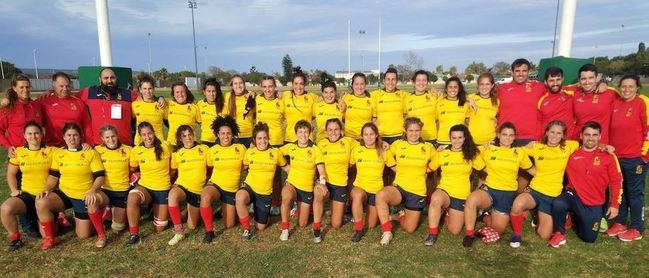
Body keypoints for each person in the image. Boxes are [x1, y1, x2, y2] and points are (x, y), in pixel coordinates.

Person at [35, 122, 108, 249]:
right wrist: (46, 189)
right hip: (65, 192)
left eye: (75, 135)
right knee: (41, 201)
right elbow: (54, 176)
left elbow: (100, 176)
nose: (72, 138)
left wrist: (92, 191)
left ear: (80, 137)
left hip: (83, 194)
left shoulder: (91, 153)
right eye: (68, 135)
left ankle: (101, 233)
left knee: (83, 235)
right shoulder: (59, 153)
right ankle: (50, 239)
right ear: (64, 137)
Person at [549, 121, 622, 247]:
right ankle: (559, 233)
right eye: (587, 134)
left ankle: (575, 217)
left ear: (599, 137)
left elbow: (617, 181)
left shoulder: (608, 156)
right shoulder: (572, 152)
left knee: (589, 238)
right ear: (581, 136)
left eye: (594, 135)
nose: (591, 138)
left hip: (594, 201)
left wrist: (615, 205)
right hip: (574, 195)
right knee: (559, 202)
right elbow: (552, 147)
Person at [509, 120, 579, 248]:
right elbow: (514, 151)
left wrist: (604, 146)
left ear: (563, 135)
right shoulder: (536, 146)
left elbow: (588, 144)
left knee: (544, 235)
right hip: (535, 191)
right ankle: (517, 235)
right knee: (517, 204)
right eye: (552, 132)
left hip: (552, 195)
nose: (554, 136)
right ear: (547, 132)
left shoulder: (569, 146)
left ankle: (538, 214)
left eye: (559, 133)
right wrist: (493, 145)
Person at [462, 122, 534, 247]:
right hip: (490, 190)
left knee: (496, 232)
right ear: (498, 135)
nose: (507, 138)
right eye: (504, 134)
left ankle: (485, 216)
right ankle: (469, 235)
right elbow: (468, 149)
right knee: (471, 200)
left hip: (507, 195)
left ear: (514, 137)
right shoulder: (489, 149)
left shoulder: (519, 152)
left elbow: (533, 171)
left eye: (511, 135)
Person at [376, 117, 436, 245]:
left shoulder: (428, 147)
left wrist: (428, 169)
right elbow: (385, 153)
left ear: (420, 131)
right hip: (400, 188)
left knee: (409, 229)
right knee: (381, 195)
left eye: (417, 130)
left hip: (417, 191)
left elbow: (439, 160)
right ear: (405, 131)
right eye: (410, 130)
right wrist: (394, 167)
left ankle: (398, 216)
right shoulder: (398, 144)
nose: (414, 133)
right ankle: (387, 232)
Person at [426, 124, 485, 246]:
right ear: (450, 138)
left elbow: (485, 169)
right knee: (436, 199)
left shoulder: (471, 153)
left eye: (460, 137)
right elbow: (428, 169)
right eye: (454, 138)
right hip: (444, 190)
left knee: (455, 230)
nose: (457, 141)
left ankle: (445, 214)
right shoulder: (442, 153)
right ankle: (432, 233)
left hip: (461, 194)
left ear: (465, 138)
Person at [606, 74, 649, 241]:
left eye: (631, 86)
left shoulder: (642, 102)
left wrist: (644, 155)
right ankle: (620, 222)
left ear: (637, 87)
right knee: (620, 191)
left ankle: (637, 227)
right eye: (623, 86)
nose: (627, 90)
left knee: (635, 193)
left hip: (636, 157)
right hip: (617, 157)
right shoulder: (616, 102)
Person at [1, 122, 54, 251]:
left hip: (45, 196)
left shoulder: (52, 151)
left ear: (42, 134)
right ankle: (15, 239)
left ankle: (53, 219)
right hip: (27, 195)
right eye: (29, 134)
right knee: (6, 208)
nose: (33, 136)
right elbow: (11, 174)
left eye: (36, 133)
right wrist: (14, 190)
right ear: (24, 136)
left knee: (43, 234)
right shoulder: (18, 152)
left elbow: (71, 150)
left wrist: (85, 145)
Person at [235, 122, 288, 240]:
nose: (262, 141)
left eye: (265, 138)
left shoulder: (276, 153)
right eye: (259, 138)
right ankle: (246, 229)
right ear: (254, 140)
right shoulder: (250, 152)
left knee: (261, 226)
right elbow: (241, 167)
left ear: (269, 138)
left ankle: (262, 212)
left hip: (264, 193)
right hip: (250, 186)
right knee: (239, 197)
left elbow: (287, 168)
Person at [200, 116, 246, 243]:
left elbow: (247, 165)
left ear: (233, 134)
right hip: (216, 185)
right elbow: (209, 167)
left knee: (229, 224)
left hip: (231, 190)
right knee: (205, 196)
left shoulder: (241, 149)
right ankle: (209, 231)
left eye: (228, 133)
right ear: (218, 135)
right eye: (222, 133)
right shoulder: (213, 150)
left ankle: (222, 208)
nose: (225, 136)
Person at [278, 120, 327, 241]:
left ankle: (298, 207)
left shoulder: (315, 150)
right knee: (286, 196)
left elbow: (321, 171)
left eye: (306, 132)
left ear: (309, 133)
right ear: (296, 133)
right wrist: (285, 166)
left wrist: (322, 182)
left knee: (302, 224)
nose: (303, 135)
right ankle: (285, 229)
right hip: (292, 184)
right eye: (300, 132)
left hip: (306, 189)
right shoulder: (291, 147)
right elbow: (275, 153)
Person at [126, 121, 172, 245]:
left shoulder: (165, 146)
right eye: (144, 134)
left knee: (160, 228)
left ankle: (157, 209)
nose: (147, 137)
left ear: (154, 132)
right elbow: (131, 169)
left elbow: (174, 168)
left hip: (163, 188)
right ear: (140, 136)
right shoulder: (137, 150)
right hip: (145, 187)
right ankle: (134, 234)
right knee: (132, 197)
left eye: (149, 133)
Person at [313, 118, 356, 242]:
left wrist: (383, 144)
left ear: (341, 131)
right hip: (325, 182)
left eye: (336, 129)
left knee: (336, 224)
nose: (333, 132)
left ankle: (337, 209)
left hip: (340, 184)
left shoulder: (348, 142)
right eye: (330, 130)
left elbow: (364, 146)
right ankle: (316, 228)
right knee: (318, 191)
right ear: (326, 132)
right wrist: (320, 180)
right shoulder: (321, 144)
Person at [167, 125, 210, 245]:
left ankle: (186, 211)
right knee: (172, 195)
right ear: (180, 139)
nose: (188, 138)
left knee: (192, 226)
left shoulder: (204, 149)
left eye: (190, 134)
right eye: (184, 136)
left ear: (194, 134)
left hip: (197, 191)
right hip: (182, 186)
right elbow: (174, 172)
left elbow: (211, 169)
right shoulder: (177, 153)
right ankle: (179, 231)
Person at [349, 122, 391, 242]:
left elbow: (396, 168)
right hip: (360, 187)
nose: (369, 137)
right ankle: (358, 230)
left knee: (371, 224)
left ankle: (387, 215)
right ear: (362, 136)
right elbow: (347, 166)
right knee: (357, 195)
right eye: (366, 134)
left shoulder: (383, 150)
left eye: (372, 134)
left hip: (376, 190)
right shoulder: (357, 150)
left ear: (376, 135)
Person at [78, 68, 140, 145]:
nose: (110, 81)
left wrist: (159, 98)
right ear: (100, 79)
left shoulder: (128, 94)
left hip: (125, 145)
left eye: (112, 78)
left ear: (116, 78)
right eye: (106, 78)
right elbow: (71, 99)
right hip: (98, 145)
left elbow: (146, 99)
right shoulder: (89, 92)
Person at [496, 58, 547, 146]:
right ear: (512, 72)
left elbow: (558, 90)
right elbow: (482, 95)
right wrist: (470, 99)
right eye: (517, 71)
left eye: (524, 71)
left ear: (529, 72)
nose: (520, 74)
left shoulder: (539, 87)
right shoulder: (501, 88)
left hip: (530, 138)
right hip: (506, 137)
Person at [254, 76, 285, 215]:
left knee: (276, 176)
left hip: (276, 142)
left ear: (275, 87)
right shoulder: (256, 100)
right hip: (260, 142)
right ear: (261, 88)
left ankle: (276, 203)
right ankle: (255, 201)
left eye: (270, 86)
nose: (268, 89)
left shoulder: (281, 101)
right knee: (257, 173)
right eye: (265, 87)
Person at [94, 125, 132, 234]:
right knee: (92, 199)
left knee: (117, 229)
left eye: (113, 136)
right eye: (107, 138)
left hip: (121, 191)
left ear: (117, 135)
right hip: (104, 190)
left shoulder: (128, 150)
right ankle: (106, 207)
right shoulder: (97, 150)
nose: (111, 140)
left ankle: (112, 210)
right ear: (102, 139)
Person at [40, 72, 92, 146]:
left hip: (75, 146)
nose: (65, 89)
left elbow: (86, 125)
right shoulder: (44, 102)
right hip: (52, 146)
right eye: (61, 86)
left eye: (67, 86)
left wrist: (89, 143)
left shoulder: (79, 102)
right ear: (54, 85)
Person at [572, 64, 617, 144]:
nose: (587, 82)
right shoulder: (574, 92)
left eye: (591, 78)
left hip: (600, 144)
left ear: (596, 78)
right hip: (578, 143)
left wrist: (603, 83)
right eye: (583, 79)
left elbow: (629, 97)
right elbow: (557, 86)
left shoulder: (610, 93)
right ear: (579, 80)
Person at [0, 74, 43, 150]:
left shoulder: (37, 105)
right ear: (14, 88)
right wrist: (8, 146)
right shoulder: (8, 108)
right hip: (18, 153)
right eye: (21, 87)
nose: (25, 90)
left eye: (27, 87)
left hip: (38, 152)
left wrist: (51, 91)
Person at [370, 67, 407, 144]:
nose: (390, 82)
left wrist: (431, 91)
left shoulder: (403, 95)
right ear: (384, 81)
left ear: (397, 81)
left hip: (399, 135)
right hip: (381, 136)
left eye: (393, 79)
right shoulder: (374, 95)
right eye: (388, 79)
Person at [537, 67, 575, 140]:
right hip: (549, 142)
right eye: (551, 80)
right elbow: (539, 122)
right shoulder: (541, 99)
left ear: (562, 79)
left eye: (558, 80)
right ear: (545, 82)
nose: (555, 84)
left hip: (568, 142)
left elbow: (587, 83)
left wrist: (601, 84)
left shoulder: (571, 92)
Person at [282, 68, 316, 144]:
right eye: (296, 84)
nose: (298, 87)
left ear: (305, 84)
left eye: (301, 84)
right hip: (289, 139)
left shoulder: (312, 97)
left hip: (307, 139)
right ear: (292, 84)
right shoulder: (285, 95)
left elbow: (327, 98)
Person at [132, 74, 166, 145]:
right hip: (140, 143)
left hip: (158, 143)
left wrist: (161, 97)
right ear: (140, 90)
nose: (147, 91)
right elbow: (131, 123)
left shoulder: (161, 104)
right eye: (144, 89)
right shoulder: (135, 105)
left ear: (154, 89)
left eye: (150, 88)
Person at [406, 70, 438, 144]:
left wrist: (469, 99)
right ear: (413, 82)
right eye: (418, 80)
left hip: (431, 138)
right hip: (414, 139)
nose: (421, 83)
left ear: (427, 83)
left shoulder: (434, 96)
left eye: (424, 80)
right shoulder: (407, 99)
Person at [436, 76, 470, 146]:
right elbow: (435, 121)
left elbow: (469, 123)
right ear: (446, 89)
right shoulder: (439, 102)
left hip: (459, 142)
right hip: (442, 142)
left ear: (459, 89)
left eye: (455, 87)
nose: (453, 89)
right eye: (450, 87)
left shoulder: (465, 104)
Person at [468, 73, 499, 145]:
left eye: (487, 84)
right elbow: (456, 96)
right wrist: (468, 99)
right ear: (478, 85)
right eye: (482, 84)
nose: (484, 87)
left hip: (490, 141)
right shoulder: (471, 97)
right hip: (473, 141)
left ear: (492, 85)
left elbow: (497, 119)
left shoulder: (496, 101)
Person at [225, 75, 255, 146]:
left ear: (244, 84)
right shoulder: (227, 96)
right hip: (235, 137)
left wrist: (276, 92)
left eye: (241, 83)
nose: (238, 85)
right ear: (232, 86)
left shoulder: (251, 96)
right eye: (235, 83)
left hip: (250, 136)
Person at [341, 73, 372, 140]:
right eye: (356, 84)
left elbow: (375, 120)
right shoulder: (346, 98)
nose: (359, 87)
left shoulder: (371, 99)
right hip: (348, 138)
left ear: (365, 85)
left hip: (365, 139)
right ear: (352, 85)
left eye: (362, 84)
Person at [197, 78, 226, 146]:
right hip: (205, 140)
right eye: (209, 91)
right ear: (204, 92)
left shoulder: (224, 106)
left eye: (214, 91)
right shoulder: (199, 105)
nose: (211, 94)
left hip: (220, 141)